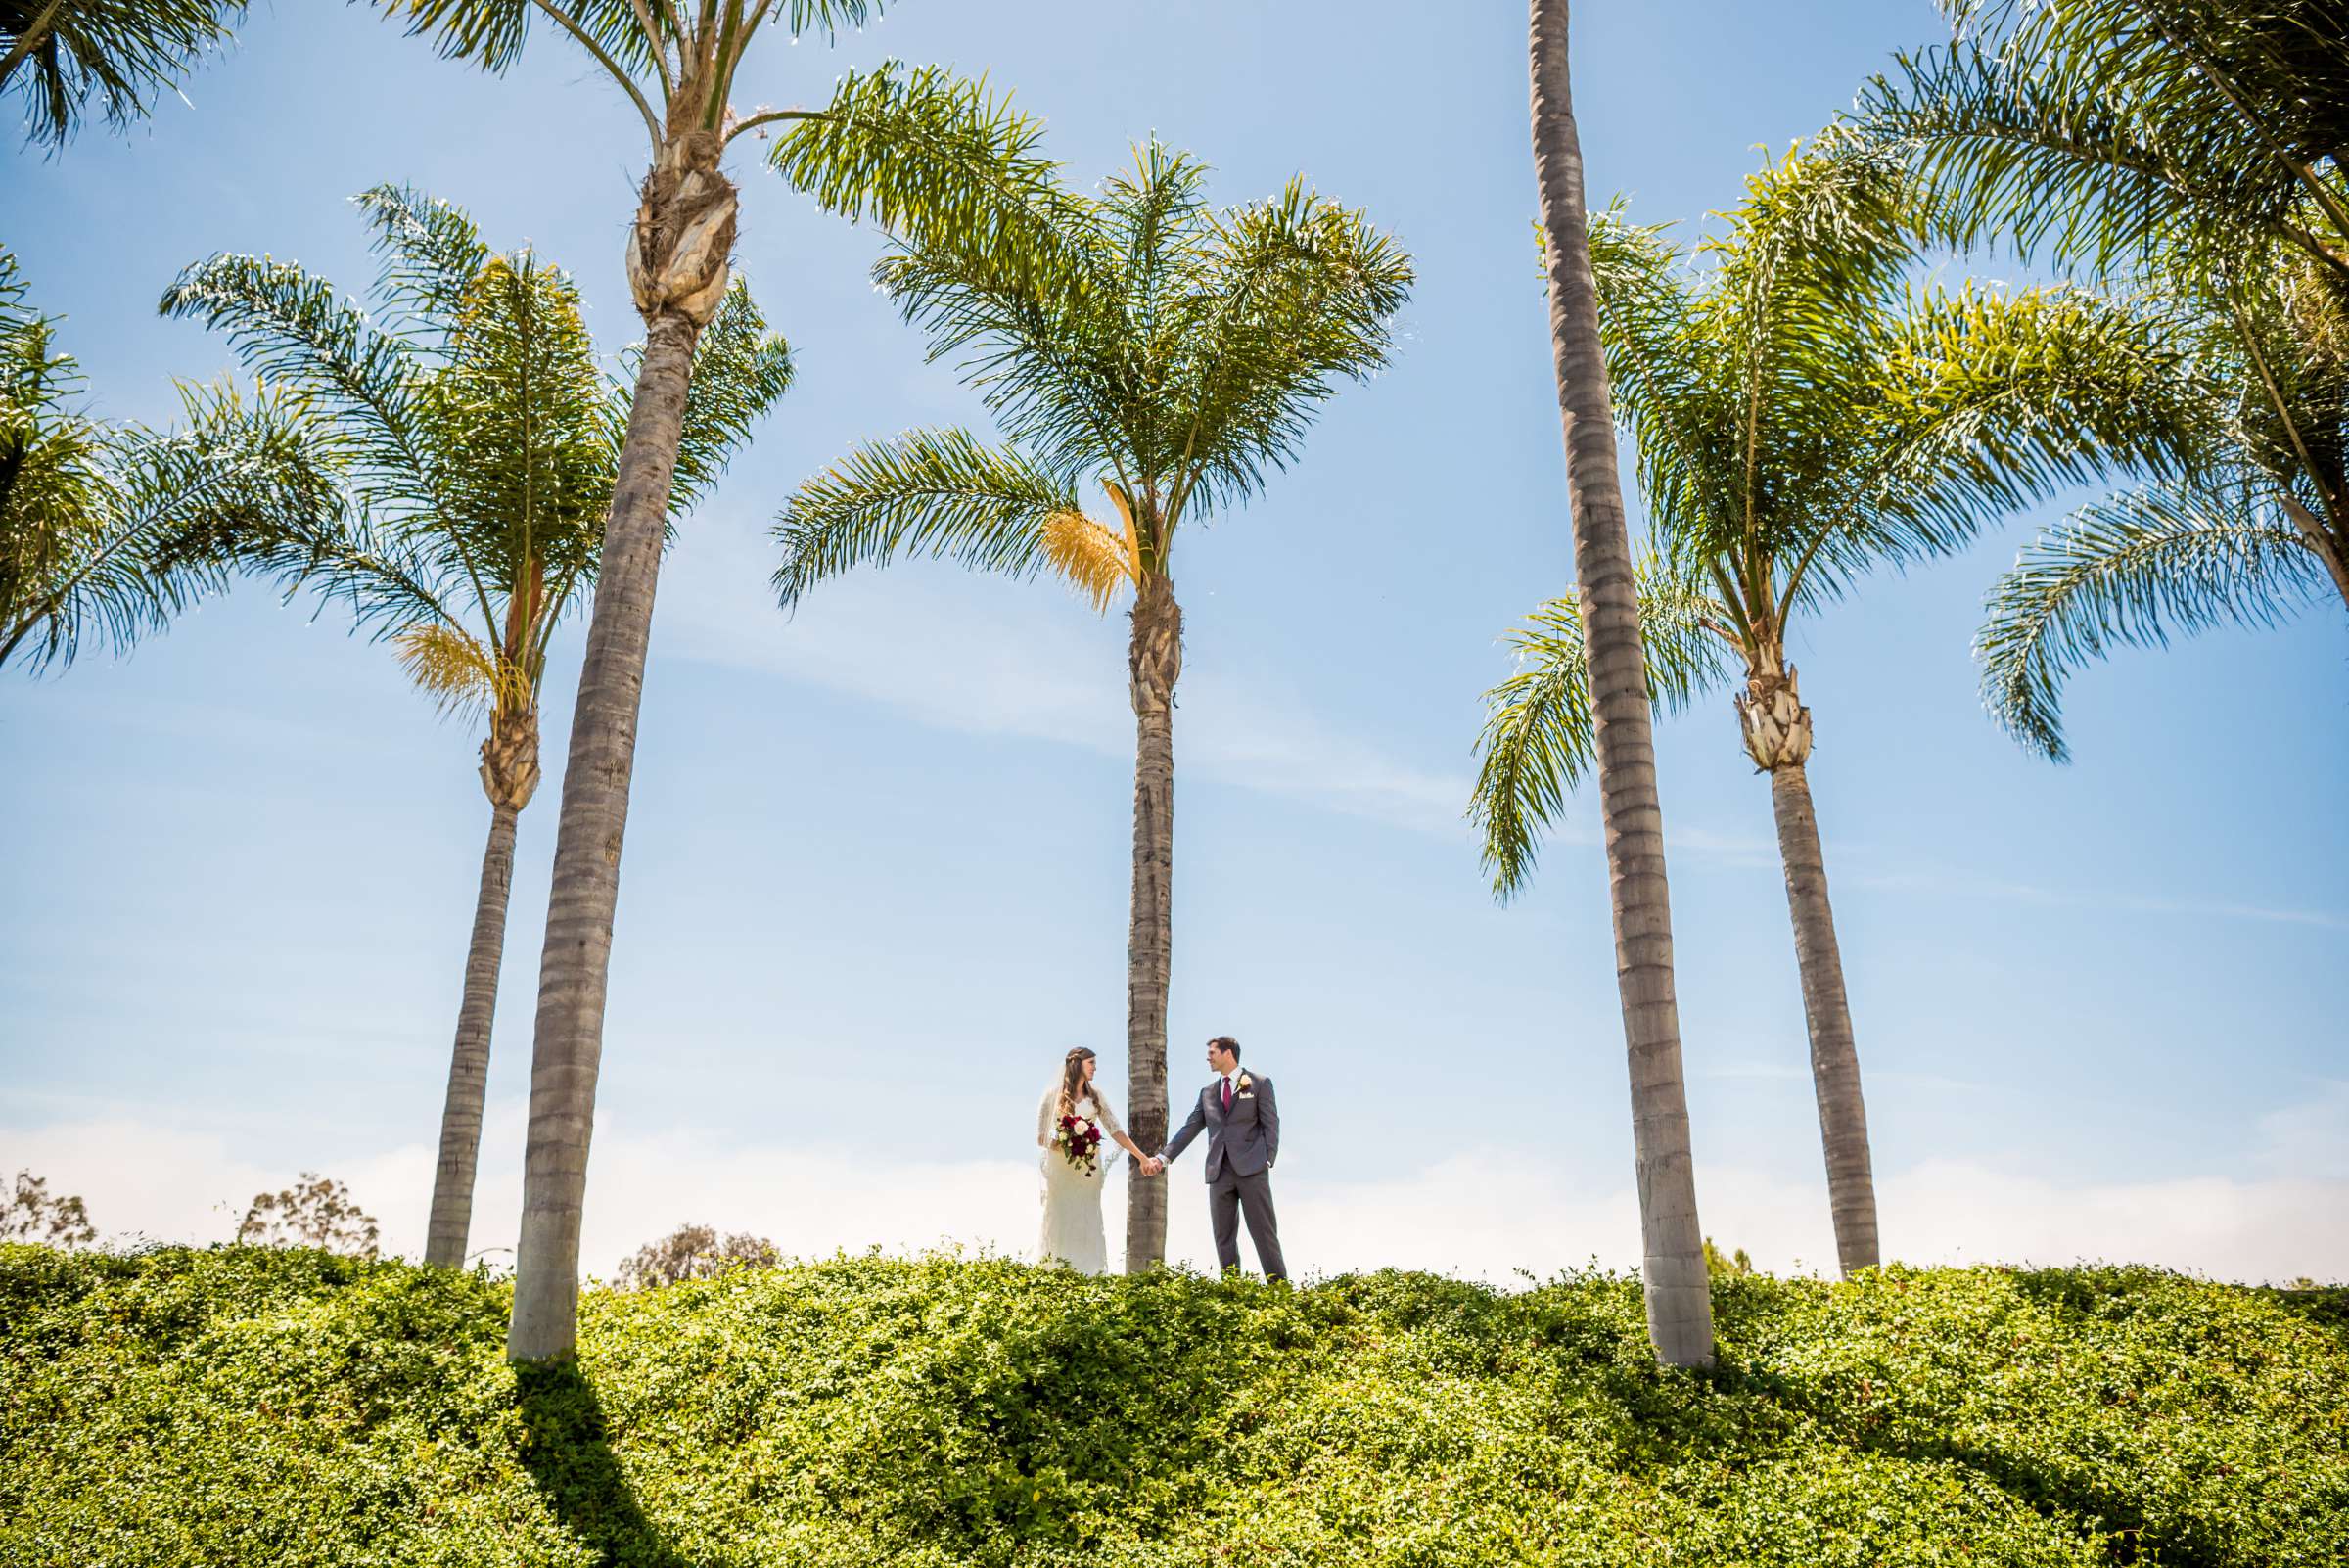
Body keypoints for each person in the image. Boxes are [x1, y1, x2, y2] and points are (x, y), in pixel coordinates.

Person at [1141, 1035, 1286, 1280]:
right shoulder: (1207, 1093)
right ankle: (1232, 1291)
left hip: (1252, 1169)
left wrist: (1268, 1158)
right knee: (1223, 1237)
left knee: (1263, 1232)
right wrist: (1162, 1158)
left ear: (1228, 1053)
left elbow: (1271, 1124)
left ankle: (1280, 1290)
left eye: (1212, 1052)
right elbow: (1190, 1127)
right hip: (1219, 1173)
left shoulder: (1260, 1083)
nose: (1207, 1057)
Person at [1036, 1046, 1151, 1273]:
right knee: (1061, 1214)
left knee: (1087, 1216)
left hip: (1088, 1169)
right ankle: (1056, 1271)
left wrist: (1142, 1157)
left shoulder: (1095, 1097)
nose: (1095, 1068)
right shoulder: (1053, 1096)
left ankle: (1089, 1272)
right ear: (1077, 1064)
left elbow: (1115, 1130)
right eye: (1092, 1063)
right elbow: (1041, 1137)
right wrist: (1064, 1143)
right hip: (1061, 1170)